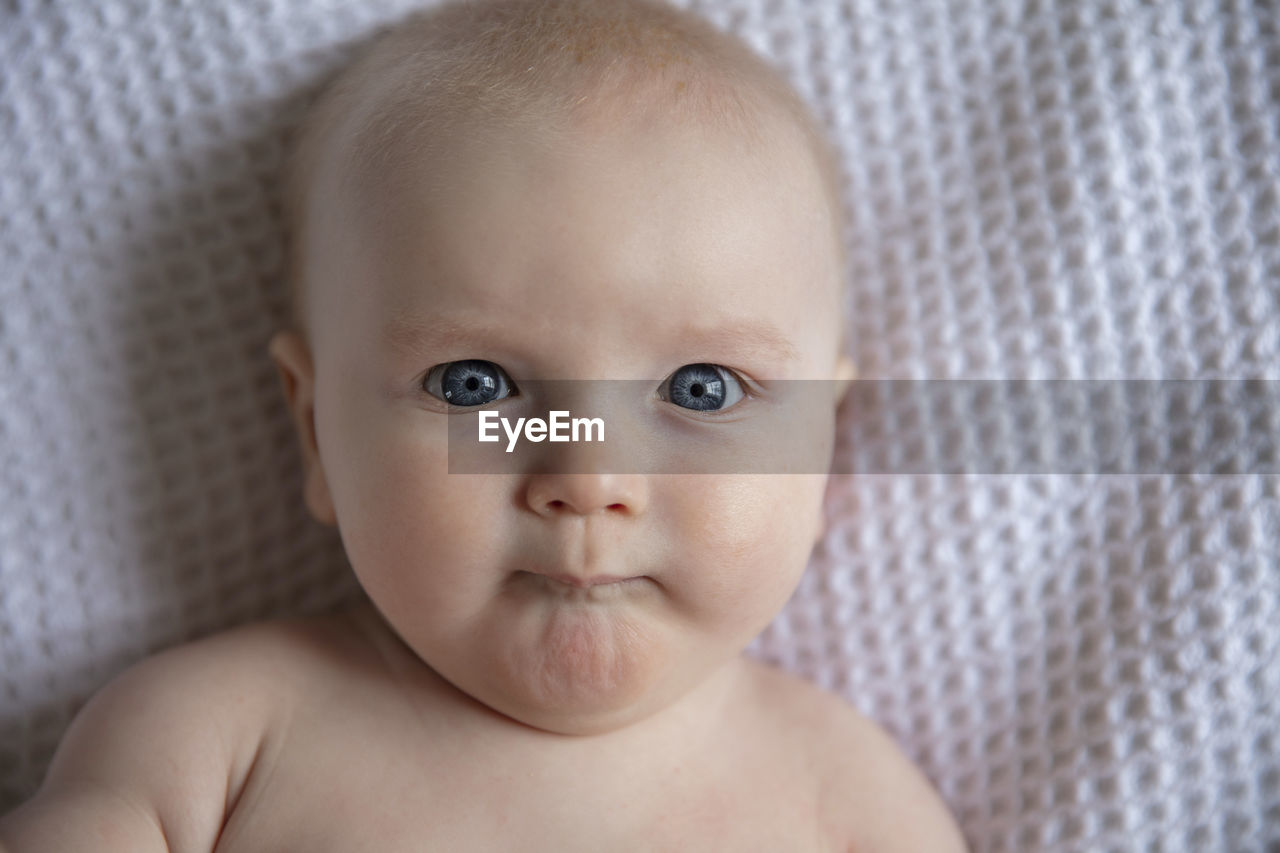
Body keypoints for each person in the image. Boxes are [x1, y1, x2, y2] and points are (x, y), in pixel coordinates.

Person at [0, 0, 967, 848]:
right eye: (474, 386)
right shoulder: (213, 742)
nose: (589, 476)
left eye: (702, 389)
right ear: (315, 431)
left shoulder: (846, 796)